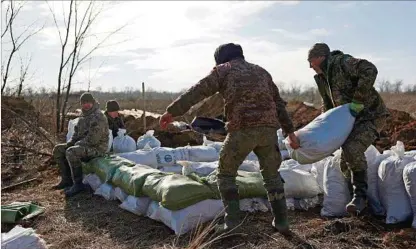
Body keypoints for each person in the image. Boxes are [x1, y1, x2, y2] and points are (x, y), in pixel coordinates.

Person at [159, 43, 298, 236]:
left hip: (242, 129)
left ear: (221, 59)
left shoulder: (224, 70)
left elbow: (198, 91)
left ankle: (232, 223)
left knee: (225, 173)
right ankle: (282, 222)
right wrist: (290, 131)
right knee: (272, 175)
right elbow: (279, 105)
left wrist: (172, 112)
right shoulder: (262, 72)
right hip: (268, 131)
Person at [301, 42, 390, 215]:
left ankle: (360, 197)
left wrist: (358, 99)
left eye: (310, 61)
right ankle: (357, 203)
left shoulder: (342, 62)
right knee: (344, 161)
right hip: (350, 120)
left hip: (370, 115)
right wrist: (323, 131)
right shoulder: (322, 79)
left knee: (352, 149)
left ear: (319, 57)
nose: (309, 66)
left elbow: (369, 69)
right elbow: (327, 107)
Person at [52, 92, 109, 197]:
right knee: (58, 149)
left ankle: (78, 184)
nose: (86, 105)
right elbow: (76, 133)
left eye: (88, 102)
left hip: (97, 148)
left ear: (92, 102)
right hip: (84, 146)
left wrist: (77, 144)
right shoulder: (83, 115)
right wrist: (70, 143)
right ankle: (66, 180)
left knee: (71, 152)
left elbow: (93, 139)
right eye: (83, 103)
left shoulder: (98, 116)